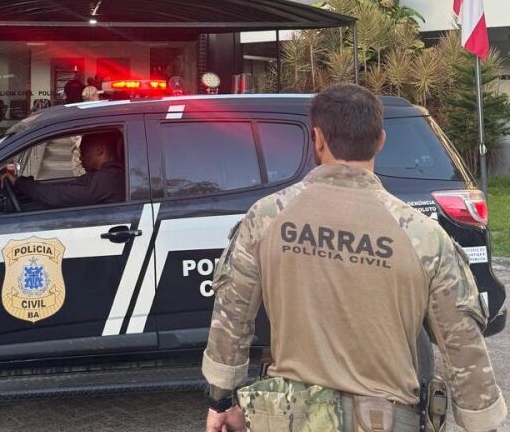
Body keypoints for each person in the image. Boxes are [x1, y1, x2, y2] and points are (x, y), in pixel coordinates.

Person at [202, 83, 506, 432]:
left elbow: (231, 318)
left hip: (290, 420)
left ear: (316, 138)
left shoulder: (265, 218)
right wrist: (483, 423)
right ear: (380, 141)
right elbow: (462, 346)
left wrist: (221, 401)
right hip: (389, 420)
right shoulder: (423, 236)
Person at [1, 132, 124, 209]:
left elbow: (62, 195)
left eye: (83, 151)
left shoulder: (109, 178)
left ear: (99, 149)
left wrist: (20, 183)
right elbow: (68, 187)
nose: (80, 157)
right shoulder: (103, 175)